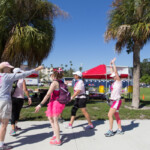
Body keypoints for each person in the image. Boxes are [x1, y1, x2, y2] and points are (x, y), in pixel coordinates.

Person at [0, 62, 43, 150]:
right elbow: (24, 74)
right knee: (4, 125)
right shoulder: (7, 76)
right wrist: (36, 69)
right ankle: (1, 145)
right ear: (5, 68)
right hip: (4, 101)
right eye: (9, 68)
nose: (10, 69)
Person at [35, 68, 65, 146]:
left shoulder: (54, 83)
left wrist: (40, 104)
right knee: (50, 118)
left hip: (56, 103)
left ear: (53, 75)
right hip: (55, 102)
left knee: (55, 120)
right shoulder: (61, 82)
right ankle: (55, 134)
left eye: (50, 75)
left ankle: (58, 140)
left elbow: (48, 94)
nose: (50, 76)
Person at [10, 68, 32, 136]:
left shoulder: (11, 79)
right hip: (20, 99)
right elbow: (25, 89)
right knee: (17, 113)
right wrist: (29, 97)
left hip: (12, 98)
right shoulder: (22, 79)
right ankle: (13, 129)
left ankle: (14, 128)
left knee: (13, 113)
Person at [105, 58, 124, 137]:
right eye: (112, 77)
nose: (113, 77)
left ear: (117, 76)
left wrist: (113, 63)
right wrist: (110, 65)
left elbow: (115, 72)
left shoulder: (119, 81)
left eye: (114, 76)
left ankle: (111, 130)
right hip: (114, 101)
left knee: (109, 115)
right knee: (116, 115)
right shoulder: (115, 82)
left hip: (116, 101)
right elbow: (112, 72)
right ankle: (120, 130)